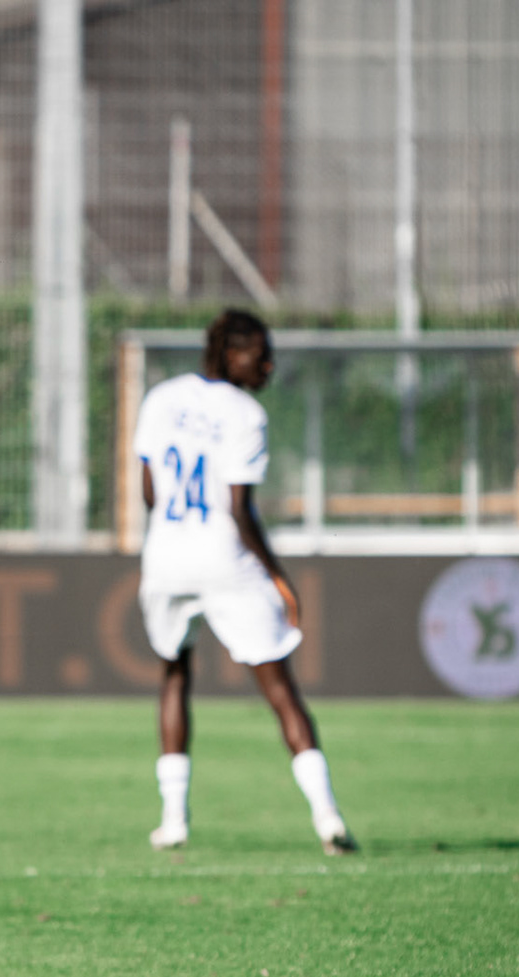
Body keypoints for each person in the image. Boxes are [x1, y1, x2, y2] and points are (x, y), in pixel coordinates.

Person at [133, 308, 354, 855]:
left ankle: (173, 821)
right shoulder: (246, 415)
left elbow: (148, 492)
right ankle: (328, 818)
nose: (270, 364)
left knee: (174, 674)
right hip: (224, 557)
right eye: (261, 353)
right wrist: (279, 578)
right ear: (230, 354)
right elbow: (240, 510)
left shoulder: (161, 399)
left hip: (165, 554)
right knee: (279, 688)